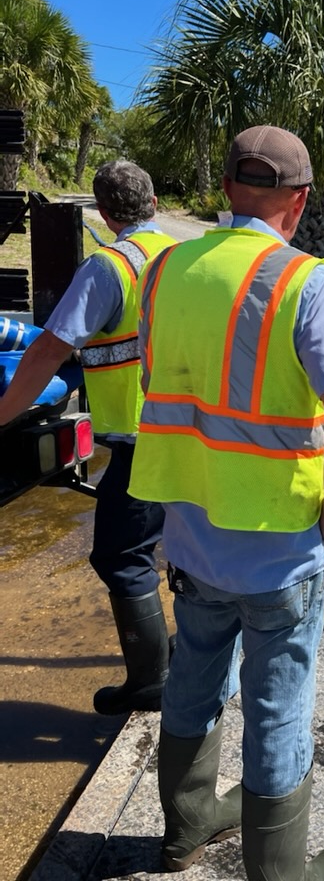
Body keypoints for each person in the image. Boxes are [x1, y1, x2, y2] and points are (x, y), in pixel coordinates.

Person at [128, 126, 324, 878]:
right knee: (277, 703)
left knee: (193, 674)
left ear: (228, 191)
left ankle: (185, 831)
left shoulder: (165, 269)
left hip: (191, 535)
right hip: (279, 548)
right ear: (300, 202)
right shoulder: (309, 282)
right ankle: (279, 873)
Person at [0, 161, 176, 716]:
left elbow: (50, 349)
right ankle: (190, 656)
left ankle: (152, 683)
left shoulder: (109, 267)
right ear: (153, 204)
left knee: (121, 555)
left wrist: (5, 413)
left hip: (141, 438)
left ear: (103, 212)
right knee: (189, 551)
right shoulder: (180, 257)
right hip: (194, 433)